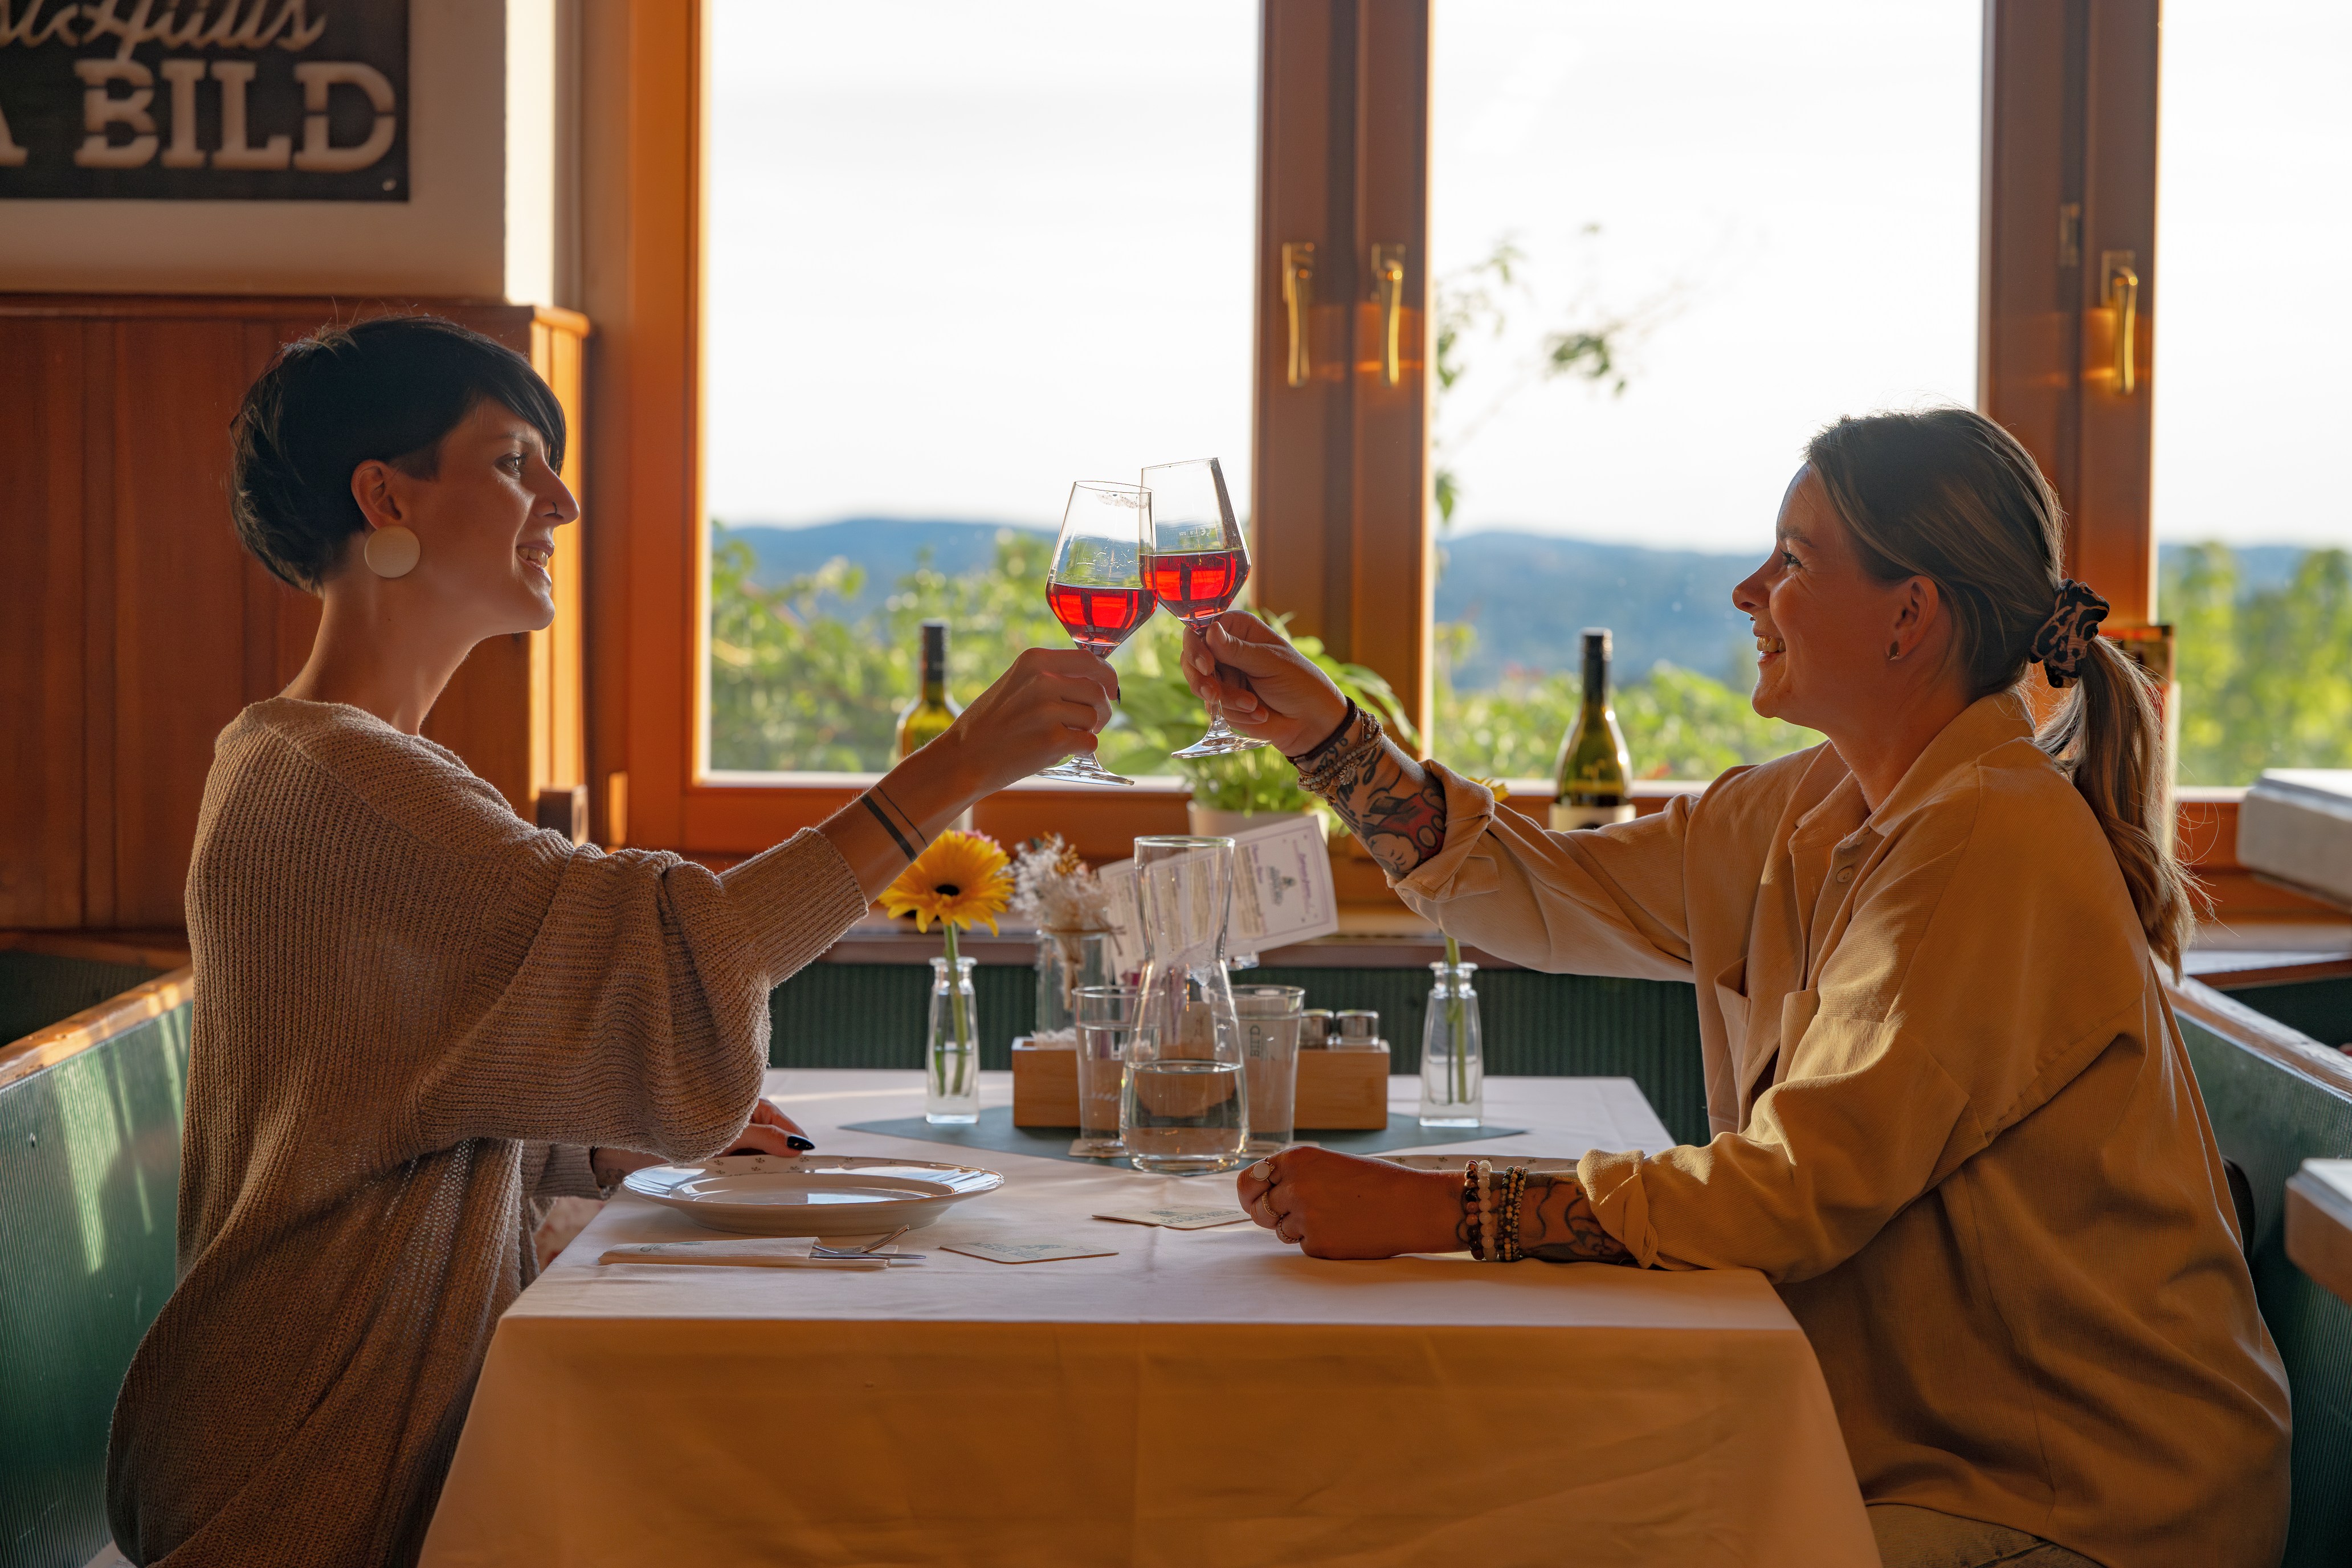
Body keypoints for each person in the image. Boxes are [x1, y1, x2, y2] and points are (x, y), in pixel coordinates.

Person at [1186, 409, 2290, 1568]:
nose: (1747, 590)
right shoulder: (1815, 804)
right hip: (1929, 1455)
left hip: (2082, 1501)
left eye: (1795, 559)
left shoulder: (1990, 839)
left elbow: (1790, 1192)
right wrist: (1328, 734)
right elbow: (1540, 883)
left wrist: (1438, 1209)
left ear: (1911, 613)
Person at [104, 317, 1117, 1566]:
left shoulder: (310, 760)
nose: (562, 500)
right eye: (515, 459)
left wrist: (589, 1135)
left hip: (285, 1405)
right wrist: (958, 767)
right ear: (384, 494)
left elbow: (371, 1085)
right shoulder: (352, 789)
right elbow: (688, 950)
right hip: (310, 1460)